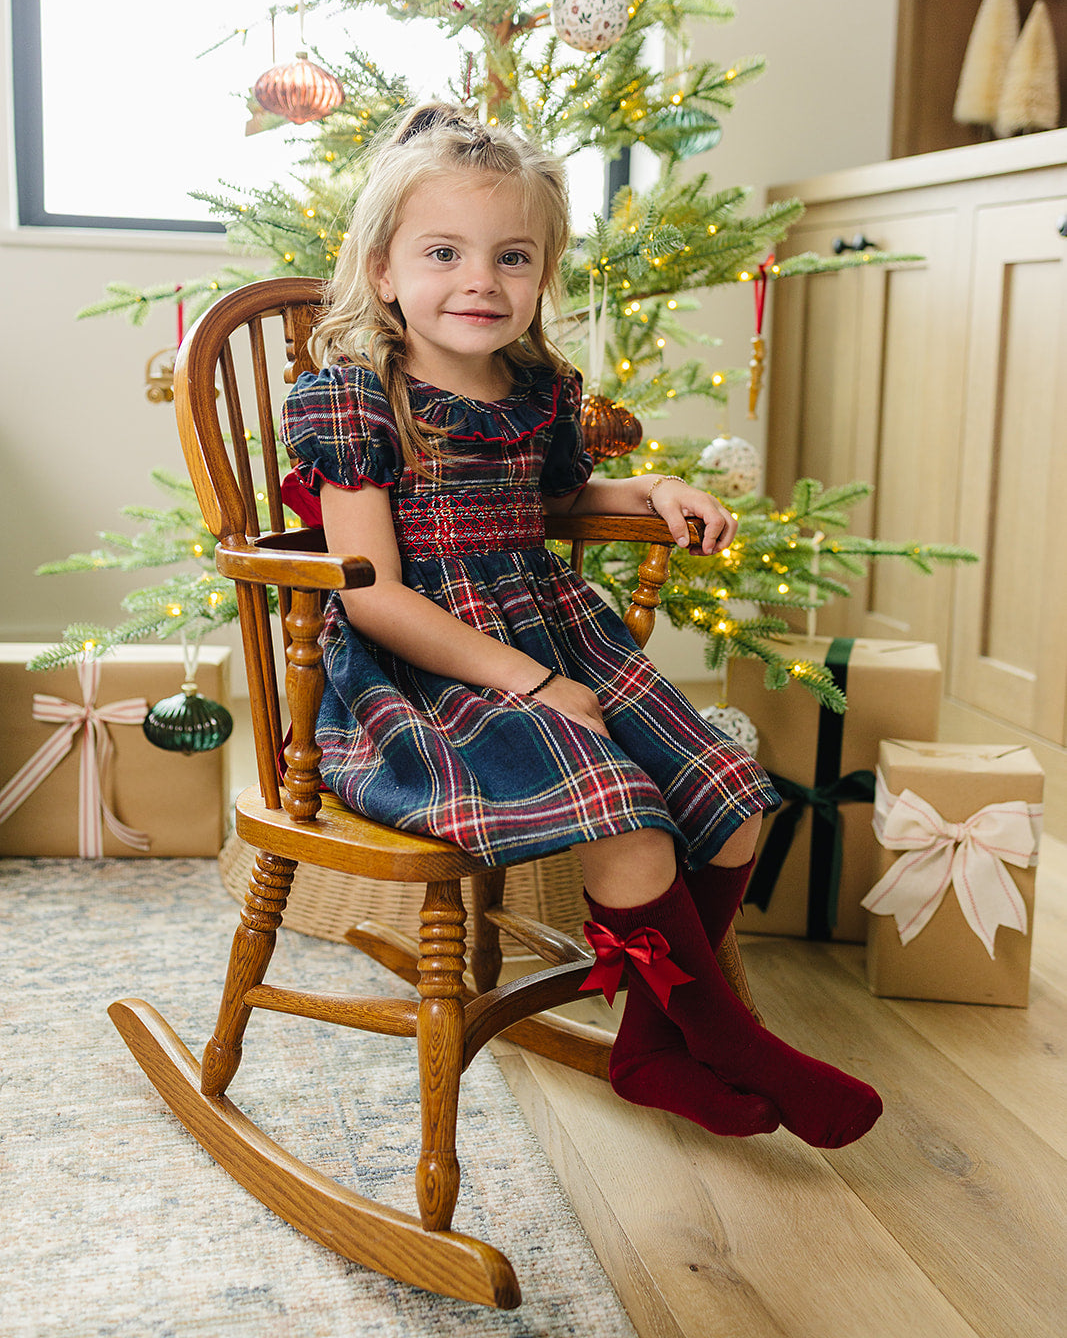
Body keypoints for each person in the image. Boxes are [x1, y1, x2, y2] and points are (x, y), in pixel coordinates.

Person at [280, 102, 882, 1149]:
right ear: (382, 271)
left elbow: (554, 501)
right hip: (426, 670)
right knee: (623, 816)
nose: (480, 281)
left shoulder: (538, 389)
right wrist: (522, 679)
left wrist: (643, 486)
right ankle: (729, 1037)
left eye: (512, 256)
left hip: (555, 626)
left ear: (542, 270)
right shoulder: (355, 396)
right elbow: (370, 590)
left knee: (731, 797)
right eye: (443, 252)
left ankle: (653, 1043)